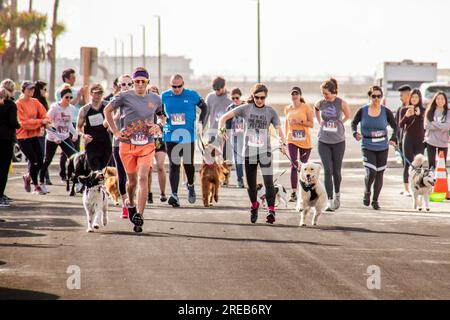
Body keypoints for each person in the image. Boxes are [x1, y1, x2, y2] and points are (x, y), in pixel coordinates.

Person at [105, 67, 163, 233]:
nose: (139, 84)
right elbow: (107, 110)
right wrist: (116, 132)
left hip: (147, 144)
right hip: (127, 145)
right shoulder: (124, 96)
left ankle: (139, 214)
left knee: (143, 177)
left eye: (142, 81)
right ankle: (130, 202)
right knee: (131, 182)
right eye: (136, 81)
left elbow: (162, 116)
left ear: (147, 82)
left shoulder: (155, 98)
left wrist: (158, 126)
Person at [218, 83, 287, 225]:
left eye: (262, 98)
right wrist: (221, 130)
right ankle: (254, 205)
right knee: (251, 185)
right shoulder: (246, 108)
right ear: (253, 96)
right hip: (249, 153)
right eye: (257, 97)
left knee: (268, 182)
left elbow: (279, 130)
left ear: (265, 97)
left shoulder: (271, 112)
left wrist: (283, 143)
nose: (259, 100)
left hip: (265, 152)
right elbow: (224, 117)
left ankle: (271, 211)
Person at [161, 74, 208, 208]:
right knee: (173, 164)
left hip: (188, 135)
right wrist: (160, 121)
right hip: (170, 135)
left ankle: (191, 185)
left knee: (188, 164)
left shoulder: (192, 95)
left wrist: (200, 123)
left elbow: (204, 108)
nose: (176, 89)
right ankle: (174, 195)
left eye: (179, 86)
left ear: (183, 84)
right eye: (173, 86)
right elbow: (158, 111)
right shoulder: (164, 96)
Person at [351, 86, 398, 210]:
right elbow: (353, 123)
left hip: (382, 146)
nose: (376, 99)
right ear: (369, 96)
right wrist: (355, 133)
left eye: (379, 96)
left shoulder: (386, 111)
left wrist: (393, 138)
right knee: (371, 171)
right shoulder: (362, 110)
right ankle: (367, 191)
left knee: (379, 173)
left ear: (381, 97)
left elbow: (395, 126)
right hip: (367, 145)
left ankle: (375, 200)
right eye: (374, 96)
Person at [315, 78, 351, 212]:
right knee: (327, 170)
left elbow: (348, 115)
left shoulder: (341, 102)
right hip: (323, 140)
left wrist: (339, 122)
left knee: (336, 171)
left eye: (327, 94)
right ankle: (329, 201)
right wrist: (320, 122)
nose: (325, 96)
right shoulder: (320, 103)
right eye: (323, 94)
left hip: (338, 141)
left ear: (333, 92)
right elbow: (316, 108)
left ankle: (337, 195)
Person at [39, 85, 79, 193]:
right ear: (61, 97)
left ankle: (76, 181)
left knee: (74, 157)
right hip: (53, 138)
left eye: (71, 97)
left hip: (65, 137)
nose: (69, 100)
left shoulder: (71, 109)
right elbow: (46, 123)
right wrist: (55, 137)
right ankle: (41, 183)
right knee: (48, 160)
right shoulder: (54, 108)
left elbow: (69, 123)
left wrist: (75, 133)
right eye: (67, 97)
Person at [16, 81, 49, 195]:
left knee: (40, 161)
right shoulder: (18, 104)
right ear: (23, 90)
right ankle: (36, 186)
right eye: (29, 89)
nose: (32, 91)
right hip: (23, 137)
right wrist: (41, 122)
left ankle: (28, 176)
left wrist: (45, 122)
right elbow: (24, 123)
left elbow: (44, 115)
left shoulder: (35, 102)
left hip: (34, 135)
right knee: (33, 160)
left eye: (33, 89)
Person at [110, 74, 133, 219]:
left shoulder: (138, 99)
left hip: (135, 144)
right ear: (119, 85)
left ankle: (132, 201)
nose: (125, 87)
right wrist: (115, 129)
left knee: (133, 176)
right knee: (122, 175)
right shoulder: (116, 100)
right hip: (118, 144)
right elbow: (110, 118)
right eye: (122, 84)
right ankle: (125, 205)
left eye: (128, 84)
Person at [55, 68, 86, 181]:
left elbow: (82, 103)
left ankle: (74, 172)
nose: (74, 80)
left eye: (74, 77)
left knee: (76, 148)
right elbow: (67, 104)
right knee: (66, 149)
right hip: (66, 122)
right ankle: (63, 173)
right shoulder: (60, 91)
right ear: (66, 78)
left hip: (75, 121)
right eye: (72, 78)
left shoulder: (74, 90)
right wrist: (77, 96)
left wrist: (81, 95)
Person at [285, 86, 314, 202]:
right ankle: (293, 192)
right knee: (294, 165)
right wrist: (285, 140)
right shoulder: (287, 108)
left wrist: (300, 122)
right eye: (292, 94)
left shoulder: (306, 107)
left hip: (304, 141)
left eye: (296, 93)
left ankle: (305, 192)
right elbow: (287, 125)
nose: (294, 96)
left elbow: (311, 124)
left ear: (300, 95)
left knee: (304, 168)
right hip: (292, 139)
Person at [77, 84, 112, 171]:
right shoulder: (85, 109)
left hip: (106, 144)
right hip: (92, 144)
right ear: (91, 93)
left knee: (105, 172)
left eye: (100, 93)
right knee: (95, 170)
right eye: (96, 93)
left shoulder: (107, 107)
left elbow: (114, 119)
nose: (98, 95)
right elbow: (78, 127)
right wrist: (83, 136)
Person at [398, 88, 425, 196]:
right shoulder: (404, 109)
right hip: (408, 139)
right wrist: (406, 116)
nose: (414, 99)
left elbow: (425, 125)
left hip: (420, 140)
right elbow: (399, 125)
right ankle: (406, 189)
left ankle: (418, 186)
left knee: (419, 164)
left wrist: (420, 115)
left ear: (419, 99)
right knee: (407, 164)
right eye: (412, 97)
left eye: (416, 97)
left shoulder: (423, 110)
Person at [147, 85, 167, 204]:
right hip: (148, 139)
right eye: (151, 92)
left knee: (160, 166)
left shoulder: (161, 105)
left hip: (159, 138)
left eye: (155, 92)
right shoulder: (144, 106)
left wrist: (159, 125)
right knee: (148, 168)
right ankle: (149, 193)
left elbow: (164, 119)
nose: (154, 94)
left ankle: (163, 192)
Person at [0, 88, 20, 207]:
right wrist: (19, 125)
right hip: (6, 139)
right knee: (3, 169)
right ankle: (0, 195)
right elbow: (13, 122)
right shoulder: (11, 105)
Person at [205, 77, 232, 159]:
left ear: (224, 87)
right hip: (213, 132)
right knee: (210, 159)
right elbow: (206, 115)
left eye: (218, 89)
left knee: (226, 160)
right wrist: (201, 128)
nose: (217, 91)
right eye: (215, 90)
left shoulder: (230, 98)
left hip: (226, 133)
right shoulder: (210, 97)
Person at [225, 88, 246, 188]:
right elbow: (227, 124)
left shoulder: (246, 106)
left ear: (240, 97)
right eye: (233, 98)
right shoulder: (230, 108)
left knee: (248, 158)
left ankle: (252, 179)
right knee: (237, 159)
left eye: (237, 98)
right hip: (235, 136)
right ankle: (240, 179)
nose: (235, 100)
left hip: (246, 136)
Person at [424, 91, 450, 170]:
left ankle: (443, 182)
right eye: (438, 99)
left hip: (443, 143)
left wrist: (433, 123)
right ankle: (432, 182)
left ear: (445, 100)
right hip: (431, 141)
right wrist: (441, 126)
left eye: (442, 99)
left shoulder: (448, 112)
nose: (440, 101)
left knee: (442, 167)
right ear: (435, 100)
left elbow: (447, 126)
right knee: (431, 166)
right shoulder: (430, 111)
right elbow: (426, 126)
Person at [33, 80, 52, 185]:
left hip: (42, 132)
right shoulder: (35, 101)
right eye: (44, 89)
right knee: (34, 156)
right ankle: (33, 176)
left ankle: (45, 177)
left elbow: (46, 116)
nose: (46, 91)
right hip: (34, 131)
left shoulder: (44, 101)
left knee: (42, 155)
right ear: (39, 89)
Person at [395, 85, 412, 191]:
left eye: (401, 95)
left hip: (413, 141)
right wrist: (397, 140)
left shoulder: (415, 109)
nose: (400, 97)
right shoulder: (400, 109)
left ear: (408, 95)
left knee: (412, 165)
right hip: (401, 142)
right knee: (404, 165)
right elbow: (396, 125)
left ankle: (412, 187)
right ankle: (406, 187)